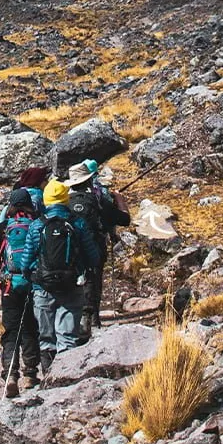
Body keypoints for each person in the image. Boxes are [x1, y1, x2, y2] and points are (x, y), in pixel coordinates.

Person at [32, 179, 98, 376]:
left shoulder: (37, 225)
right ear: (65, 199)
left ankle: (47, 376)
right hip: (71, 284)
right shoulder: (77, 223)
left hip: (42, 287)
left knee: (45, 337)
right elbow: (92, 256)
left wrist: (34, 275)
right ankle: (65, 378)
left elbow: (25, 260)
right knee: (67, 335)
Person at [64, 159, 131, 337]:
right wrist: (119, 199)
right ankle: (93, 319)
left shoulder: (64, 201)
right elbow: (124, 220)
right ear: (88, 180)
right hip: (94, 244)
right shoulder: (97, 199)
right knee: (94, 278)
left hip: (69, 250)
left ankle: (72, 322)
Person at [0, 186, 44, 397]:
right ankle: (30, 374)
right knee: (30, 327)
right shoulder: (36, 224)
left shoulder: (3, 227)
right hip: (31, 282)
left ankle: (10, 373)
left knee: (11, 330)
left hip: (9, 285)